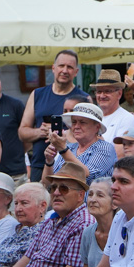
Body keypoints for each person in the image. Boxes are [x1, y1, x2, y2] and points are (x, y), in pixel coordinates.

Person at [18, 50, 89, 182]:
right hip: (40, 164)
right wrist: (42, 132)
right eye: (61, 66)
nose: (65, 70)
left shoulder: (84, 98)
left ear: (76, 72)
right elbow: (22, 132)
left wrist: (59, 132)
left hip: (71, 166)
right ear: (53, 68)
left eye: (70, 67)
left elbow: (91, 133)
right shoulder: (37, 94)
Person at [42, 103, 116, 185]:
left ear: (97, 127)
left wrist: (63, 149)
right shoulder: (70, 148)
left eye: (82, 122)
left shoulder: (105, 148)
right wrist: (49, 161)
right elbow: (48, 183)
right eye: (74, 122)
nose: (76, 126)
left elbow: (86, 175)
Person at [90, 69, 134, 159]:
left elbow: (119, 155)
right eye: (99, 91)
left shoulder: (127, 118)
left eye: (107, 91)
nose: (102, 96)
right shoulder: (92, 117)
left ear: (119, 94)